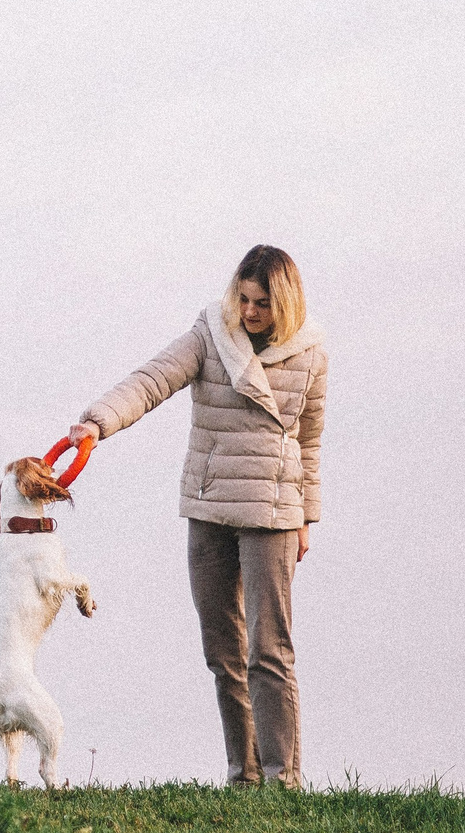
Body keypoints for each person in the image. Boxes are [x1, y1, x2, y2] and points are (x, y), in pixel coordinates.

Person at [69, 245, 326, 788]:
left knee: (269, 651)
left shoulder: (311, 353)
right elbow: (153, 379)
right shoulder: (211, 334)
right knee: (222, 651)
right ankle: (244, 776)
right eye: (244, 298)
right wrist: (98, 422)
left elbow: (310, 441)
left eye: (262, 303)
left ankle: (284, 781)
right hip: (209, 508)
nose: (250, 311)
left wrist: (307, 517)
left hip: (273, 513)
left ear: (286, 304)